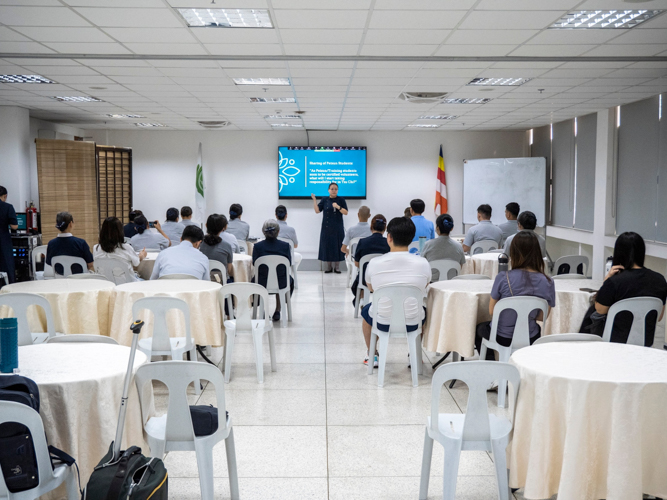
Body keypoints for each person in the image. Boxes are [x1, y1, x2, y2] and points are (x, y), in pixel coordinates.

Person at [361, 217, 431, 367]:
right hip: (413, 321)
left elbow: (372, 288)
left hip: (382, 320)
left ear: (389, 237)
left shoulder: (374, 263)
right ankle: (414, 354)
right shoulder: (423, 263)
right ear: (412, 238)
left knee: (366, 311)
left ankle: (372, 354)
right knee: (424, 311)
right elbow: (425, 286)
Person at [475, 231, 556, 361]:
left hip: (501, 337)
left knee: (480, 329)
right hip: (530, 337)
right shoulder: (548, 282)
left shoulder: (503, 277)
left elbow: (492, 311)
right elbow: (542, 316)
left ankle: (492, 367)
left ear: (514, 253)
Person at [583, 232, 667, 346]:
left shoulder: (614, 281)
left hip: (615, 342)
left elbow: (600, 310)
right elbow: (659, 316)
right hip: (645, 342)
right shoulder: (660, 280)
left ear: (618, 253)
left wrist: (606, 280)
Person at [252, 219, 293, 321]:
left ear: (263, 232)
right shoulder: (285, 246)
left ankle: (263, 309)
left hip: (261, 282)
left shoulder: (257, 246)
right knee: (287, 278)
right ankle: (278, 310)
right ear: (278, 232)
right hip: (282, 282)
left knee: (252, 280)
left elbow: (254, 263)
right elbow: (288, 263)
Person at [351, 214, 390, 303]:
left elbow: (357, 264)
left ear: (371, 227)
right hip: (383, 279)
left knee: (357, 283)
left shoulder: (363, 242)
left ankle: (362, 301)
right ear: (385, 228)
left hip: (364, 280)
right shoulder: (389, 243)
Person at [312, 182, 348, 273]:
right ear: (328, 190)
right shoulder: (324, 199)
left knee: (338, 246)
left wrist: (338, 207)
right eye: (332, 189)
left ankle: (337, 267)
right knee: (327, 246)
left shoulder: (341, 200)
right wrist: (314, 200)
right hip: (326, 228)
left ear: (338, 190)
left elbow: (346, 212)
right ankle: (328, 267)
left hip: (338, 228)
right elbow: (317, 211)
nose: (334, 190)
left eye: (335, 189)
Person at [45, 212, 94, 276]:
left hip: (60, 279)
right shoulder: (81, 243)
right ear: (70, 224)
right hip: (80, 280)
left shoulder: (51, 244)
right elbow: (90, 264)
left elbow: (50, 263)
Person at [421, 214, 467, 281]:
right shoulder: (458, 246)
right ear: (452, 228)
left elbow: (423, 264)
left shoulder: (428, 245)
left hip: (433, 282)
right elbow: (460, 266)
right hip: (452, 281)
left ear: (437, 228)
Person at [198, 214, 234, 280]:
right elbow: (229, 271)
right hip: (221, 282)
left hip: (204, 280)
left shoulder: (200, 244)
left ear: (206, 225)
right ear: (223, 228)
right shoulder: (227, 246)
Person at [0, 186, 18, 284]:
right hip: (3, 240)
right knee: (6, 266)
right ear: (5, 196)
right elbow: (14, 226)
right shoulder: (8, 207)